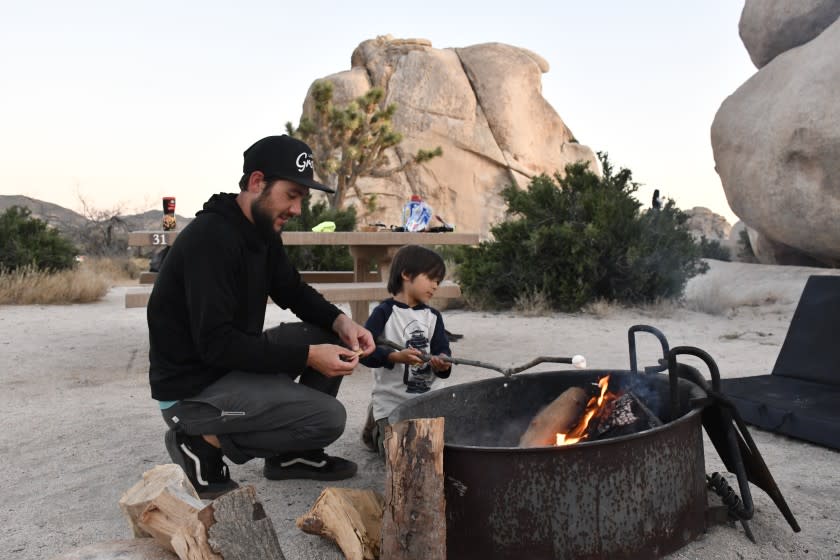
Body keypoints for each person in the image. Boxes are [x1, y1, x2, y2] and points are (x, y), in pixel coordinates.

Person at [147, 134, 375, 498]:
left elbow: (292, 290)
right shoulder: (212, 239)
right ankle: (199, 441)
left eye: (303, 197)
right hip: (192, 393)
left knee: (328, 336)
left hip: (227, 366)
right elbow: (216, 344)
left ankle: (292, 457)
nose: (298, 209)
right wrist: (308, 357)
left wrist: (341, 322)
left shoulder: (260, 230)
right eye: (292, 194)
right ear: (257, 182)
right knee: (327, 417)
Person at [359, 245, 452, 458]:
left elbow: (442, 350)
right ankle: (375, 428)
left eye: (439, 281)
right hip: (393, 402)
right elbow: (363, 352)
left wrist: (443, 362)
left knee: (442, 449)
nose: (436, 286)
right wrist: (393, 356)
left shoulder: (433, 317)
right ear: (407, 274)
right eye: (431, 278)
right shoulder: (384, 313)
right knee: (399, 455)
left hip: (429, 400)